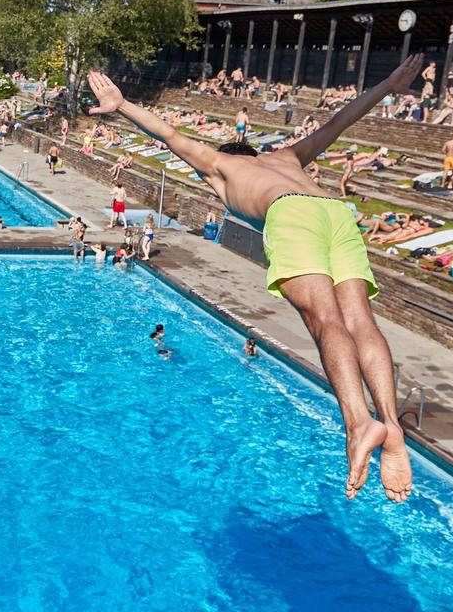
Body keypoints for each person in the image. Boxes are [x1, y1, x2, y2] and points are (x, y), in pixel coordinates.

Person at [85, 55, 425, 503]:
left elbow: (168, 135)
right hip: (335, 212)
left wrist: (123, 105)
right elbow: (340, 121)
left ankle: (360, 425)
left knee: (326, 321)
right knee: (362, 322)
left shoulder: (219, 166)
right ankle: (391, 425)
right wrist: (389, 84)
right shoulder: (289, 156)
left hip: (291, 212)